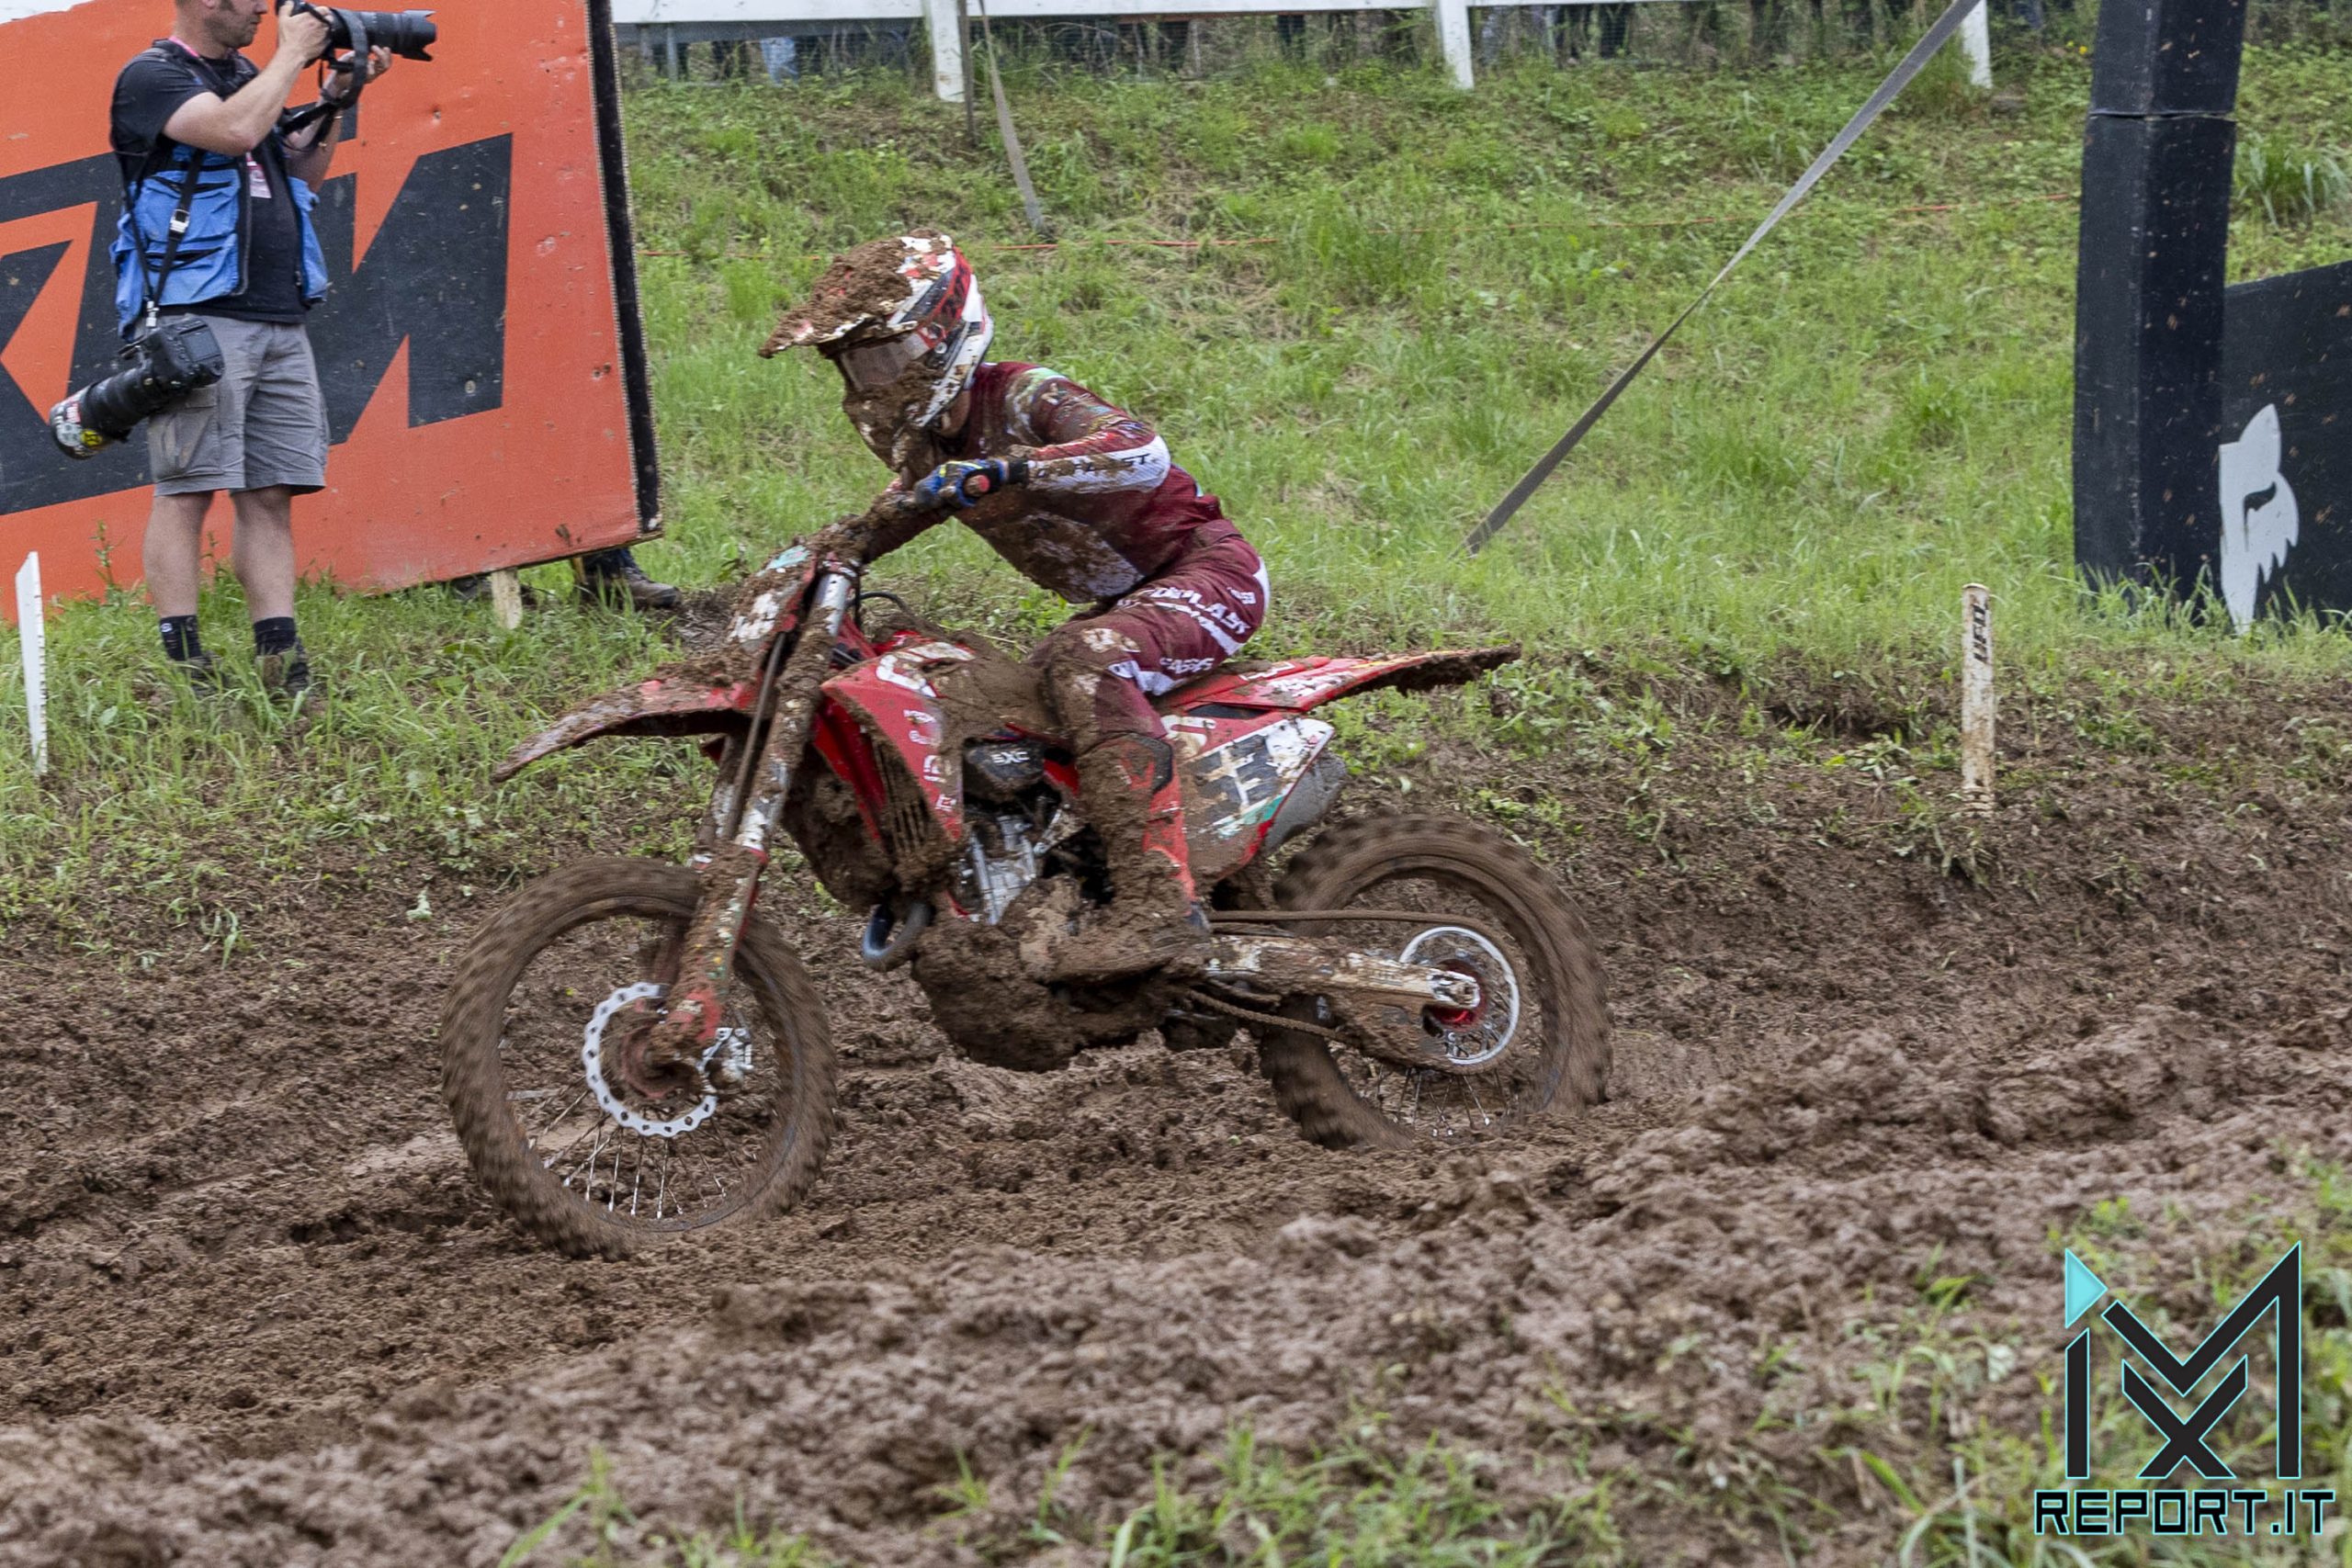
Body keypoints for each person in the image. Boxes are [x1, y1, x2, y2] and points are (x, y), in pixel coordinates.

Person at [764, 232, 1269, 981]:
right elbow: (878, 526)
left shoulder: (1023, 395)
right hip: (1120, 601)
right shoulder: (933, 453)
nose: (874, 384)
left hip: (1207, 572)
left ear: (943, 337)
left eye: (886, 360)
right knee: (993, 710)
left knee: (1082, 663)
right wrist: (799, 571)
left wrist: (1014, 466)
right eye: (857, 367)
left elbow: (1140, 449)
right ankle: (1060, 887)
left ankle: (1164, 908)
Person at [111, 0, 389, 697]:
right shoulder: (153, 76)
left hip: (278, 310)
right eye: (251, 2)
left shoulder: (244, 74)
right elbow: (233, 132)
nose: (264, 11)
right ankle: (184, 663)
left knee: (270, 492)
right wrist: (294, 54)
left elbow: (303, 175)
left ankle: (280, 657)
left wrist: (334, 100)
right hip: (196, 316)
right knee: (187, 488)